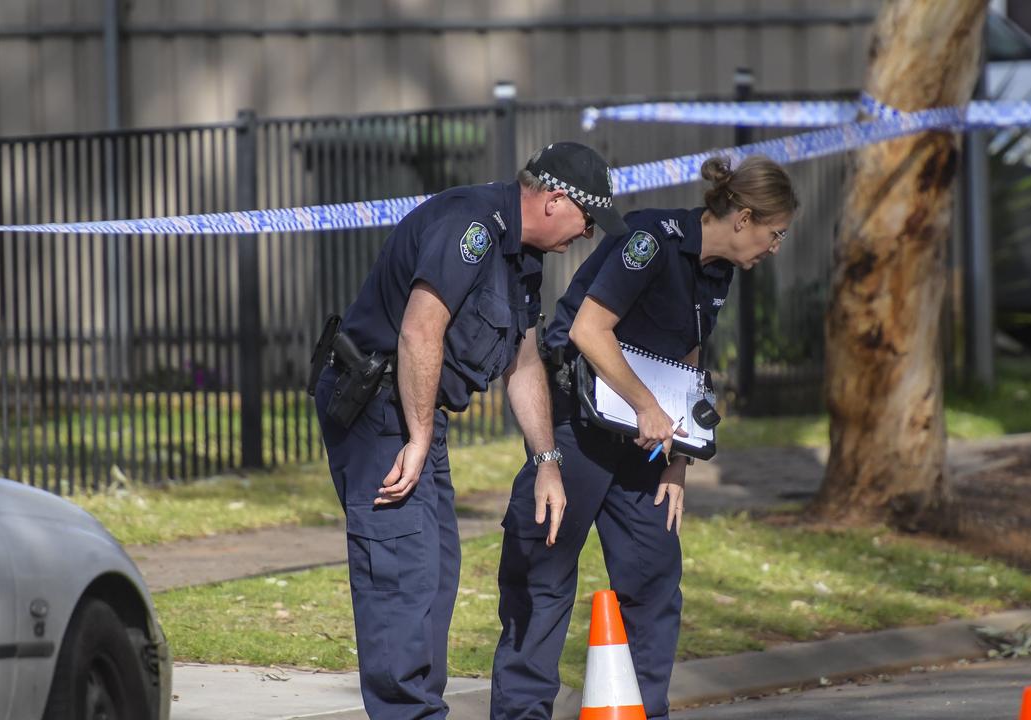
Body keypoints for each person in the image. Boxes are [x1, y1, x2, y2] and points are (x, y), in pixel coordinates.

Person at [312, 141, 631, 720]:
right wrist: (417, 437)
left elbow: (524, 361)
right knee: (402, 580)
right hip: (378, 412)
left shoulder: (521, 256)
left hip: (411, 415)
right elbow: (419, 332)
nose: (587, 236)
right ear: (556, 200)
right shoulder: (472, 227)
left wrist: (547, 462)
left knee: (435, 576)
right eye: (588, 220)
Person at [490, 155, 799, 720]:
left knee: (655, 581)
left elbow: (686, 354)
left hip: (643, 445)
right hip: (578, 430)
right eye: (774, 233)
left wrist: (677, 460)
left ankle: (638, 710)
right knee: (543, 578)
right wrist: (647, 406)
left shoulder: (717, 270)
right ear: (743, 217)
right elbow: (588, 329)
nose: (775, 247)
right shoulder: (652, 239)